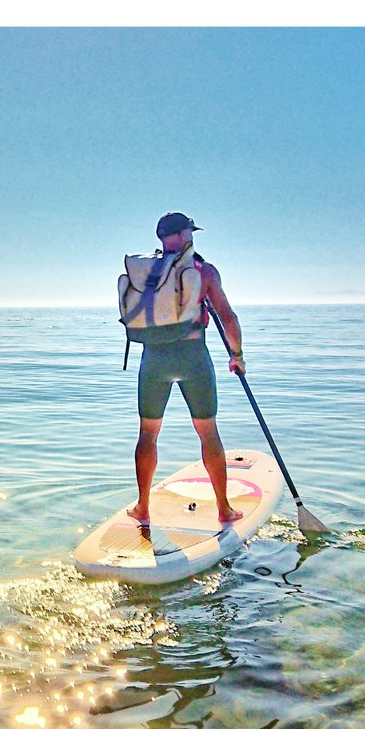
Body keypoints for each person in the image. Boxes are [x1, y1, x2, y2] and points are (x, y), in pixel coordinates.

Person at [125, 212, 245, 528]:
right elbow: (227, 317)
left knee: (148, 434)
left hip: (154, 359)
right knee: (208, 432)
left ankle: (142, 507)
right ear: (184, 234)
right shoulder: (202, 271)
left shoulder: (148, 272)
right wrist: (237, 355)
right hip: (193, 358)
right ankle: (223, 509)